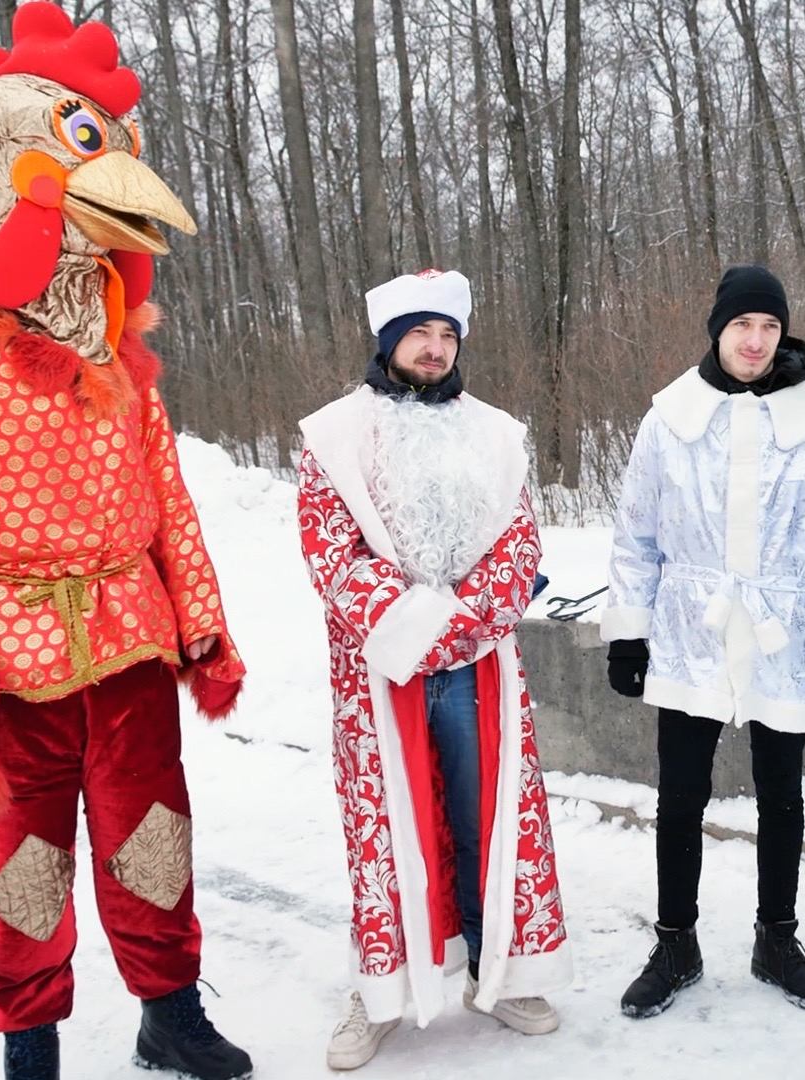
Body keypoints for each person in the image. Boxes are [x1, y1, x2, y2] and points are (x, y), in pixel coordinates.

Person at [0, 5, 251, 1077]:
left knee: (155, 843)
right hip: (9, 657)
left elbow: (163, 482)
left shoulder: (109, 323)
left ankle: (169, 1014)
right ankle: (29, 1039)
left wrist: (203, 626)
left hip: (128, 638)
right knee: (24, 863)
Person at [296, 269, 572, 1071]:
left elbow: (519, 545)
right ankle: (384, 988)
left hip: (479, 664)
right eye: (421, 333)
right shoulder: (336, 435)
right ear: (390, 342)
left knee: (487, 816)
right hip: (380, 670)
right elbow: (329, 549)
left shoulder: (493, 432)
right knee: (389, 829)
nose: (435, 348)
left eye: (448, 335)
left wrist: (461, 627)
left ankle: (505, 968)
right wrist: (413, 629)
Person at [603, 265, 805, 1018]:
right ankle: (675, 942)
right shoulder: (669, 419)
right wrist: (629, 632)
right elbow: (637, 535)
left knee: (782, 796)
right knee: (680, 795)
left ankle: (777, 939)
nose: (756, 341)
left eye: (768, 327)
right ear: (717, 331)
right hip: (692, 627)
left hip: (780, 633)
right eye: (741, 326)